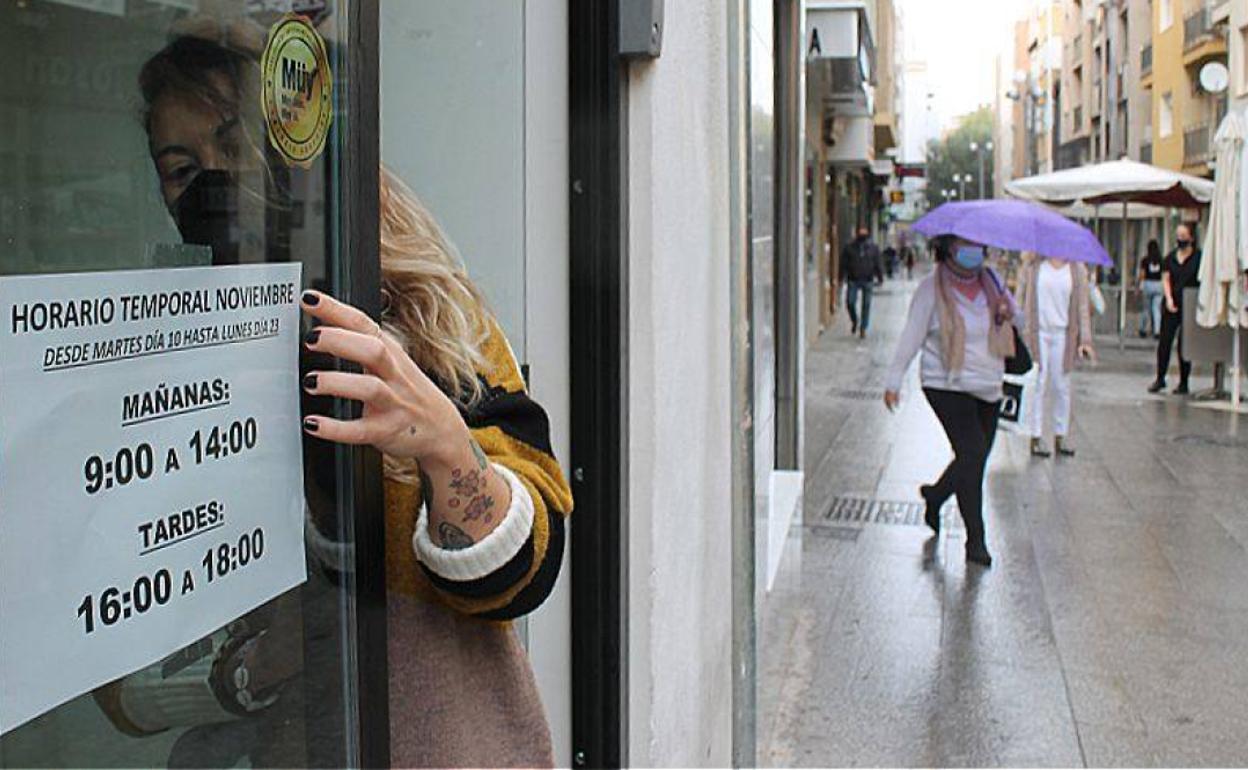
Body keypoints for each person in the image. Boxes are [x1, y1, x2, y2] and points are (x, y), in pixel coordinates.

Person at [98, 34, 574, 768]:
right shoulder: (165, 356)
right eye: (183, 170)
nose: (217, 183)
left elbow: (529, 565)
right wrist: (246, 673)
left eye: (237, 144)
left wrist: (444, 446)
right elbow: (119, 670)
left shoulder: (423, 315)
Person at [883, 236, 1020, 567]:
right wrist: (894, 379)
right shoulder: (931, 288)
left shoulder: (993, 283)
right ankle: (976, 541)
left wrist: (1008, 311)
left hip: (988, 384)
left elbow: (1021, 323)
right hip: (945, 383)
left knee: (973, 460)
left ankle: (936, 495)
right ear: (948, 247)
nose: (974, 250)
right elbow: (912, 334)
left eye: (978, 244)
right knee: (972, 454)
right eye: (965, 244)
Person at [1016, 252, 1095, 458]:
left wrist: (1085, 340)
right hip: (1037, 333)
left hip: (1063, 334)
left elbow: (1082, 306)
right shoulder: (1033, 266)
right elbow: (1019, 299)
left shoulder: (1077, 269)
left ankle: (1061, 435)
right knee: (1038, 384)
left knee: (1062, 385)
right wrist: (1014, 328)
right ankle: (1035, 436)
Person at [1149, 223, 1203, 395]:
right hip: (1171, 303)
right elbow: (1165, 278)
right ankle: (1160, 378)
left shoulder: (1199, 258)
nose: (1180, 239)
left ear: (1191, 238)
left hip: (1189, 302)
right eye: (1178, 236)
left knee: (1184, 344)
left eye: (1183, 236)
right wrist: (1169, 299)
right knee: (1165, 342)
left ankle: (1184, 382)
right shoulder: (1170, 258)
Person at [840, 225, 884, 338]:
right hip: (853, 279)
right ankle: (855, 320)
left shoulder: (873, 248)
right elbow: (843, 263)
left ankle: (863, 327)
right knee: (850, 302)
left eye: (864, 231)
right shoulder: (849, 247)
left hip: (868, 279)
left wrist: (880, 277)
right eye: (861, 231)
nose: (862, 233)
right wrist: (841, 277)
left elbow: (878, 263)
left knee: (866, 304)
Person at [1137, 239, 1165, 339]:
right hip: (1159, 284)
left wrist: (1138, 286)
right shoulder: (1161, 260)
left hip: (1148, 284)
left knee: (1146, 309)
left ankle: (1143, 329)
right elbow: (1164, 274)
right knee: (1156, 308)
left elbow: (1142, 274)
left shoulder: (1145, 260)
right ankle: (1157, 330)